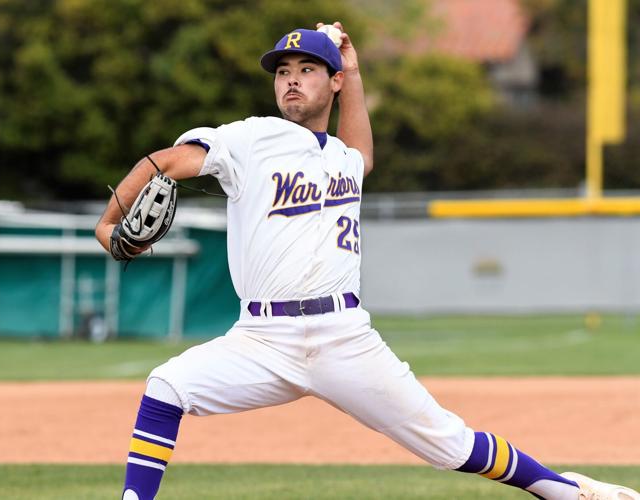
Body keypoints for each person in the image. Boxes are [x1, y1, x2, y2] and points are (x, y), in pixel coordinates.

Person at [95, 22, 640, 500]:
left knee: (447, 443)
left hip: (344, 337)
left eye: (307, 68)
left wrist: (351, 71)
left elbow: (362, 156)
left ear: (330, 82)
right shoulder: (250, 138)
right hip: (261, 339)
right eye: (282, 69)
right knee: (167, 386)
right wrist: (109, 222)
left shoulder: (340, 158)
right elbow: (165, 161)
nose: (290, 78)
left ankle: (565, 491)